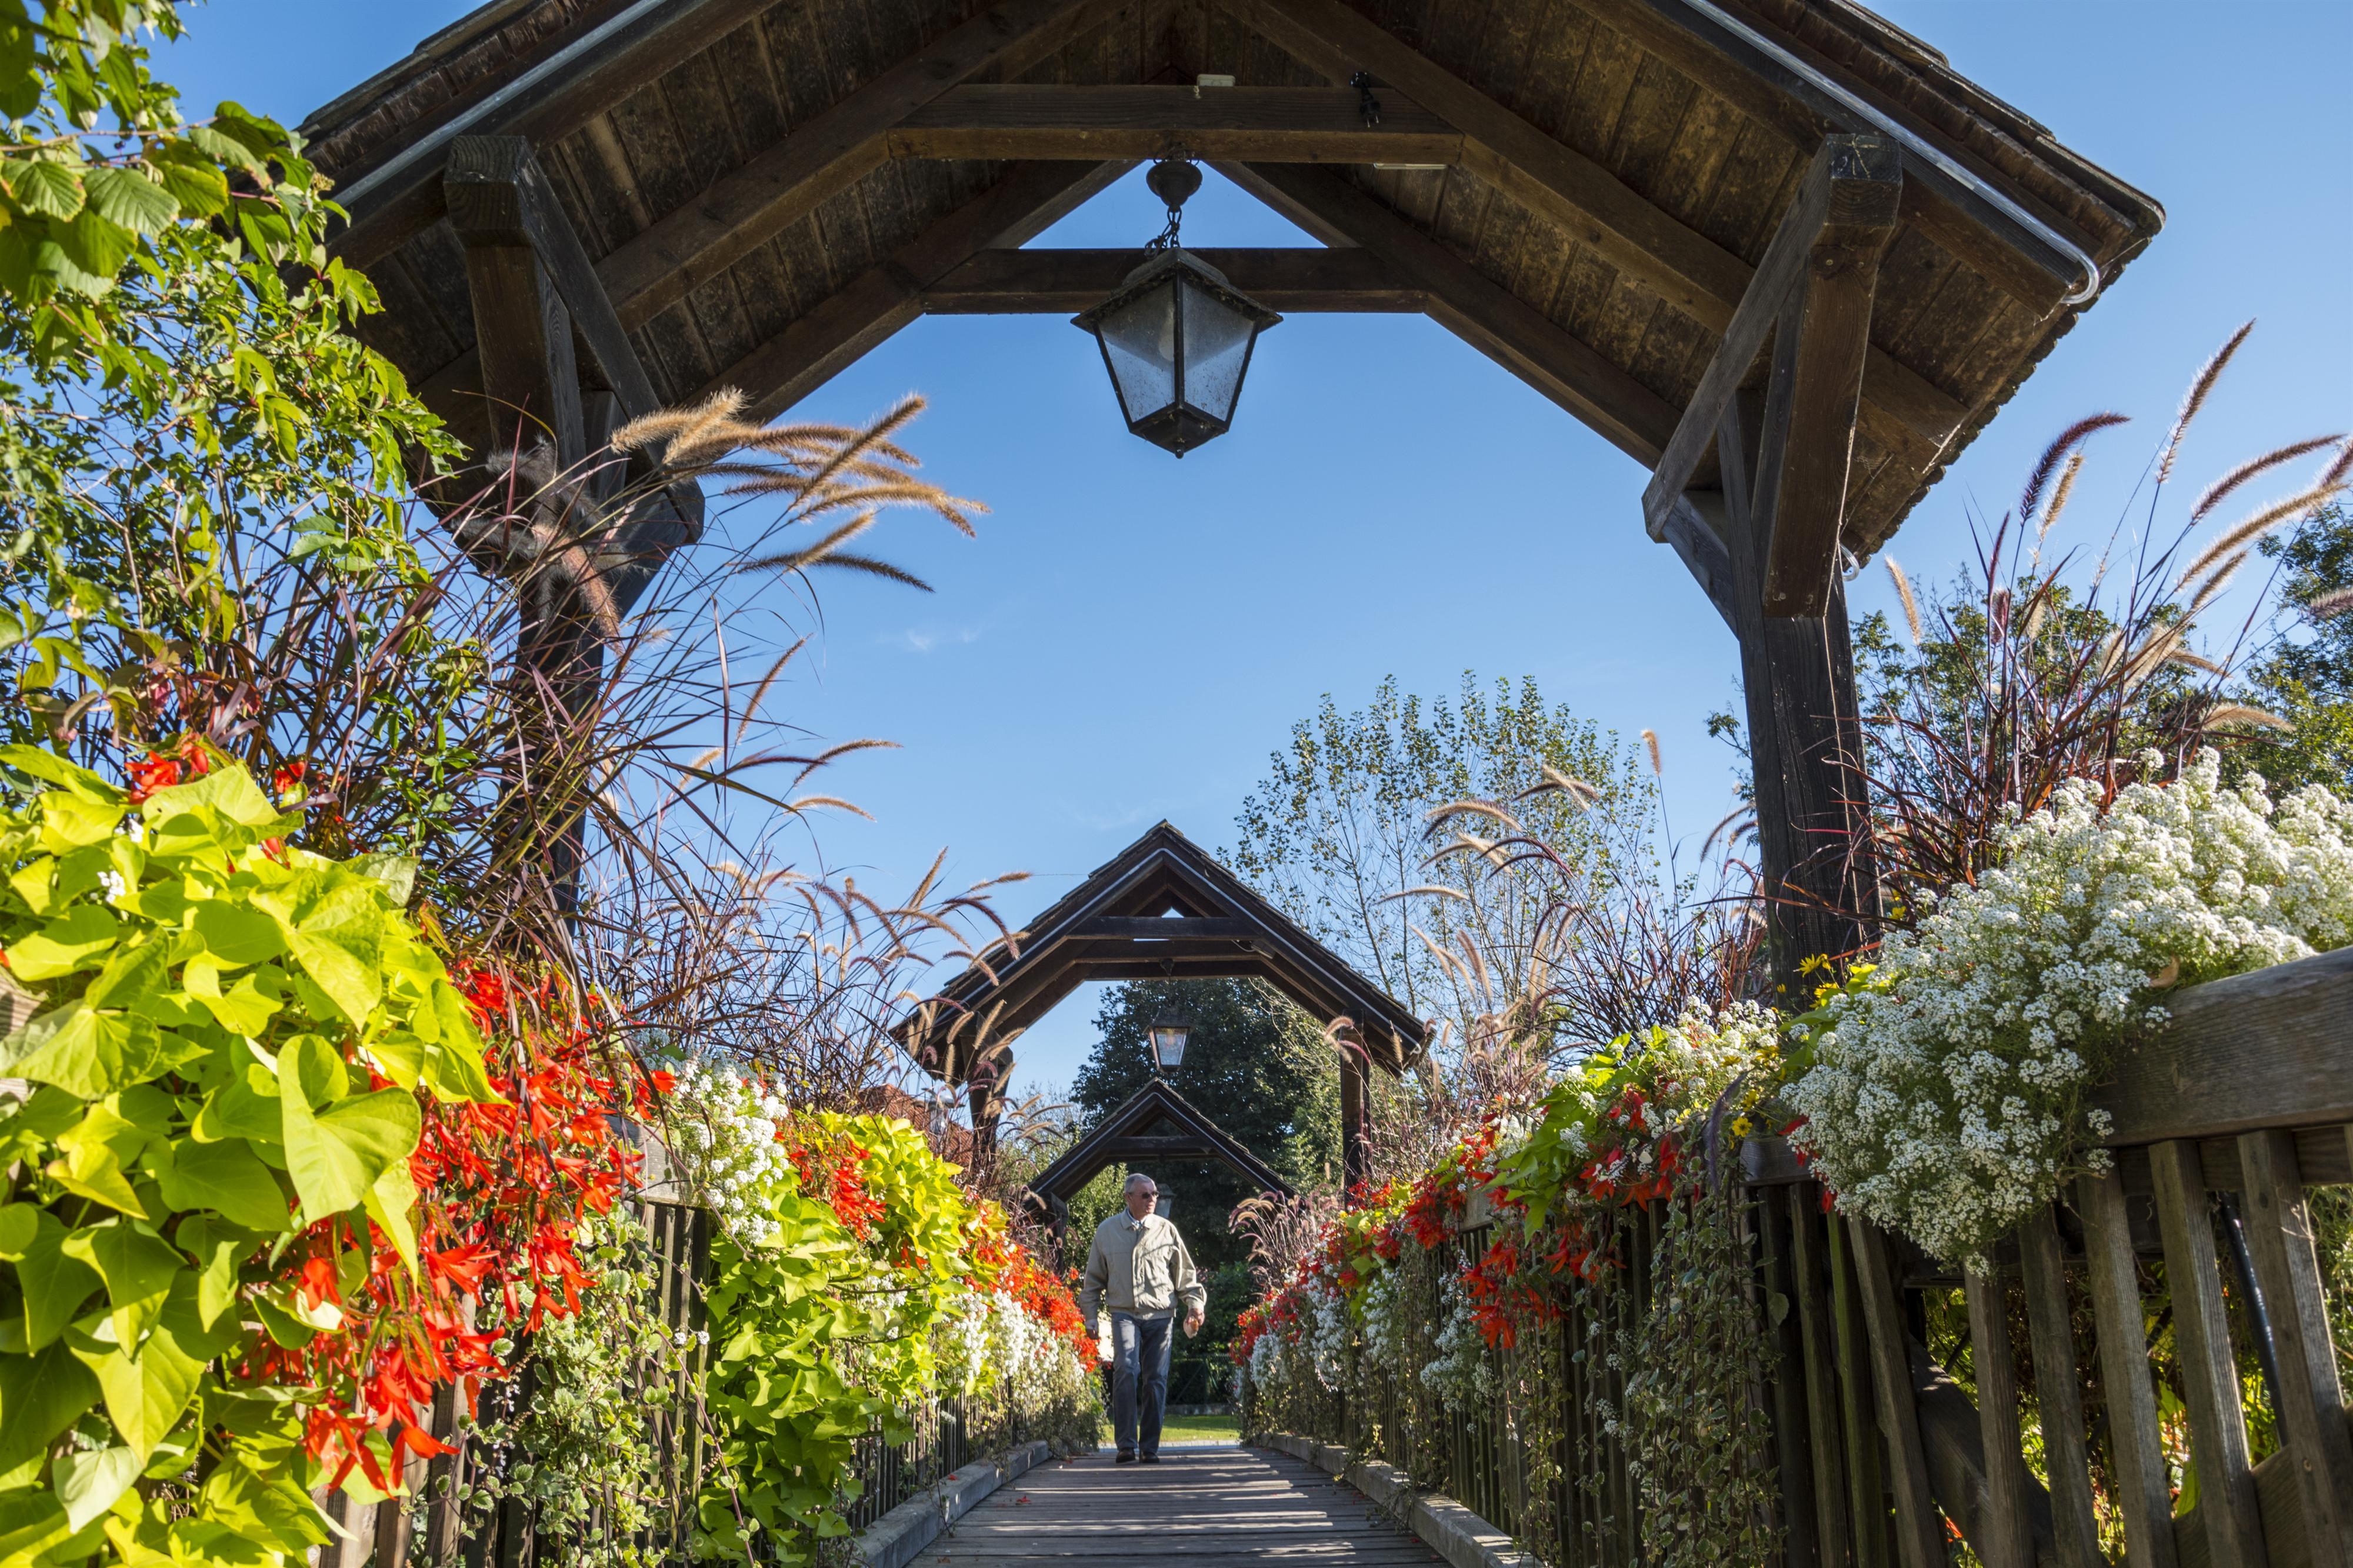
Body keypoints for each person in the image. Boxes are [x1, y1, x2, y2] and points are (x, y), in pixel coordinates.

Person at [1076, 1172, 1205, 1464]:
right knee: (1125, 1370)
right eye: (1145, 1195)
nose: (1152, 1199)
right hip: (1124, 1313)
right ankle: (1126, 1446)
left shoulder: (1167, 1230)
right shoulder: (1107, 1231)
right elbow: (1092, 1281)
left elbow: (1186, 1275)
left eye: (1155, 1194)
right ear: (1128, 1198)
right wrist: (1091, 1317)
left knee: (1155, 1379)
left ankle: (1150, 1448)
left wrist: (1195, 1304)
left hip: (1161, 1315)